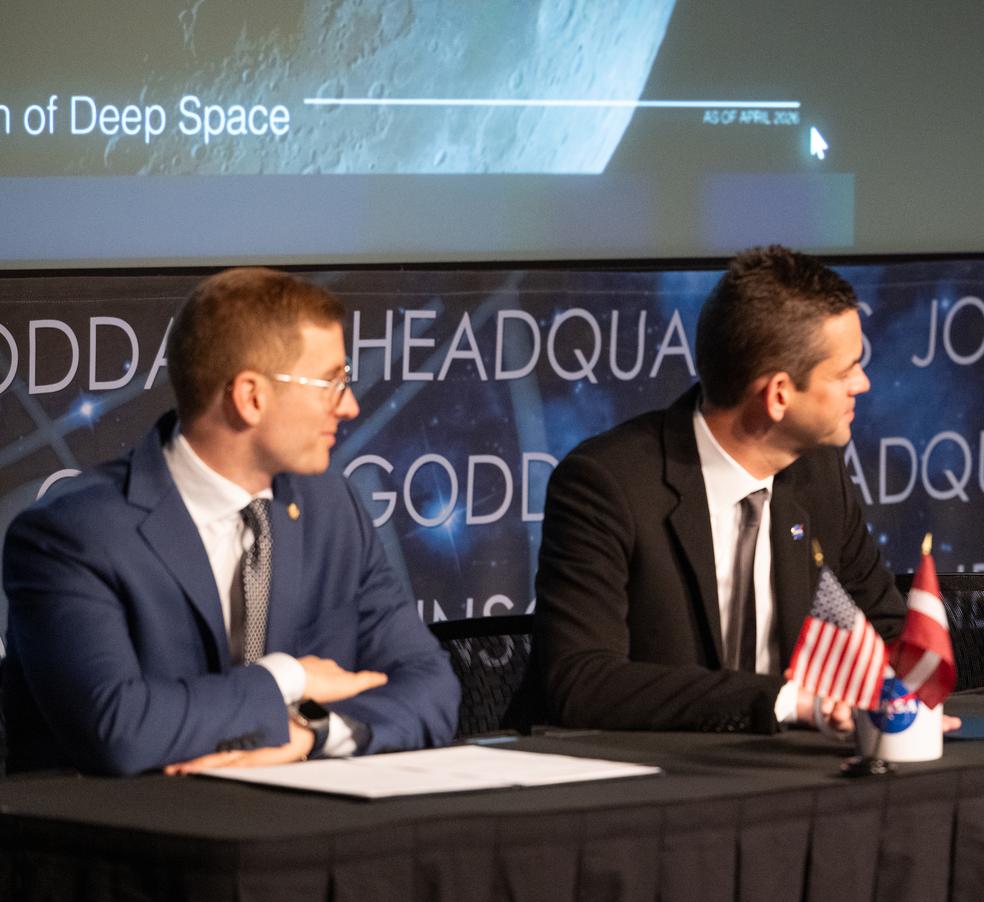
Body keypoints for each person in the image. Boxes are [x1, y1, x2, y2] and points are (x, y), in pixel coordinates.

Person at [1, 268, 459, 776]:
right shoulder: (73, 535)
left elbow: (430, 683)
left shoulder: (332, 508)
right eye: (331, 383)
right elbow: (119, 729)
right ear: (251, 397)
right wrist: (288, 678)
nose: (348, 405)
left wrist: (314, 734)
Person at [535, 245, 906, 735]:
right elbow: (579, 681)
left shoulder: (818, 475)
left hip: (788, 778)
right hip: (646, 786)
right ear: (777, 395)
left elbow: (888, 632)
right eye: (844, 372)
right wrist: (784, 701)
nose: (862, 383)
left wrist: (905, 698)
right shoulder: (607, 484)